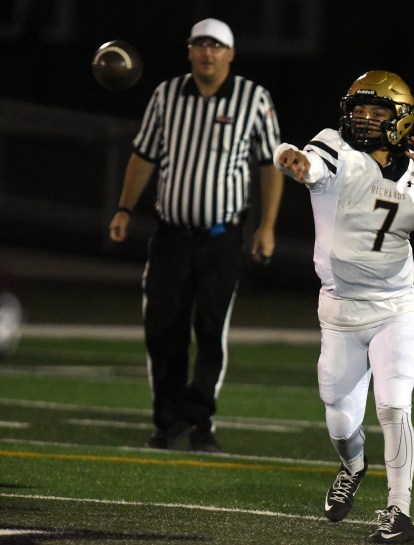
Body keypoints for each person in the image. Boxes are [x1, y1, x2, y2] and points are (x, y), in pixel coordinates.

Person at [274, 71, 414, 543]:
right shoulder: (334, 147)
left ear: (400, 118)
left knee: (394, 406)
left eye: (377, 113)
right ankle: (353, 465)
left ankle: (399, 512)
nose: (365, 120)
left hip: (395, 307)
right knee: (339, 417)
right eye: (359, 110)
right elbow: (309, 164)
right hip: (338, 309)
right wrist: (291, 160)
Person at [109, 18, 284, 453]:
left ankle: (200, 420)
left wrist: (267, 225)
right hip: (170, 235)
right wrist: (124, 208)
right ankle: (167, 421)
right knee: (162, 326)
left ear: (230, 54)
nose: (207, 52)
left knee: (210, 328)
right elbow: (143, 155)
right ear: (189, 50)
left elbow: (270, 164)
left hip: (222, 239)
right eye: (199, 44)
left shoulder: (253, 98)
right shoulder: (167, 94)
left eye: (215, 46)